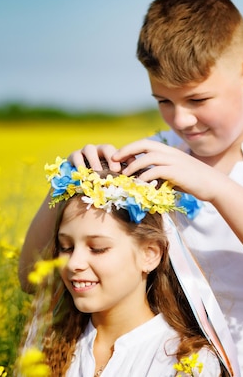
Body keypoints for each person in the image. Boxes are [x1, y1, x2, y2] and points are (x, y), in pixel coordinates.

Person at [19, 0, 243, 376]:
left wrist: (217, 188)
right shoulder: (150, 158)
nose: (182, 121)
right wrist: (64, 187)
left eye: (199, 100)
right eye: (164, 102)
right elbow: (36, 280)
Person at [19, 158, 224, 376]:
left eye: (97, 248)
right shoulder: (48, 346)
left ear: (150, 255)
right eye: (66, 247)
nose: (74, 263)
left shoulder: (185, 360)